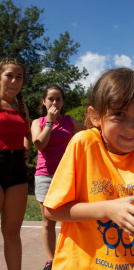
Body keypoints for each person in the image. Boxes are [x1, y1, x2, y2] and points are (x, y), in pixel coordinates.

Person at [42, 67, 134, 270]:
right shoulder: (84, 143)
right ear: (95, 116)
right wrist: (107, 209)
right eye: (119, 114)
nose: (132, 126)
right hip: (80, 264)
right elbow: (52, 210)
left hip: (128, 263)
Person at [31, 84, 83, 270]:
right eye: (51, 99)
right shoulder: (38, 122)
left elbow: (87, 135)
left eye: (58, 99)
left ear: (62, 102)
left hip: (67, 175)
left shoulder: (69, 121)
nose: (55, 102)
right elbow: (40, 144)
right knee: (48, 220)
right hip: (45, 175)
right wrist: (50, 122)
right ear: (44, 101)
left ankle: (72, 254)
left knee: (72, 218)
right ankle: (51, 260)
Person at [0, 57, 31, 270]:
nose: (14, 81)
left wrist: (27, 146)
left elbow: (26, 131)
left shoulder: (21, 105)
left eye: (18, 77)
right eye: (9, 75)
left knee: (12, 232)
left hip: (18, 167)